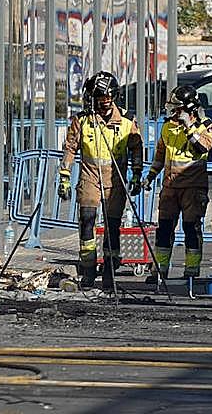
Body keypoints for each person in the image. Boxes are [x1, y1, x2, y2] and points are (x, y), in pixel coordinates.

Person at [58, 71, 143, 289]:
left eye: (107, 98)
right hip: (90, 177)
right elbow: (70, 148)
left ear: (113, 97)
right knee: (87, 221)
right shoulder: (82, 120)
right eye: (99, 98)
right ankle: (87, 270)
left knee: (112, 226)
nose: (103, 103)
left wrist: (137, 173)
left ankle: (109, 271)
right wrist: (64, 175)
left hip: (115, 180)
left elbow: (136, 147)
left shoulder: (127, 121)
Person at [143, 86, 212, 281]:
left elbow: (202, 148)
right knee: (164, 229)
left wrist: (188, 127)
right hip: (170, 187)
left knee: (191, 228)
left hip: (193, 187)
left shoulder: (206, 126)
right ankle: (160, 270)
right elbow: (160, 154)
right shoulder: (168, 126)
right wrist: (150, 176)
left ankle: (191, 270)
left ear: (189, 108)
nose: (174, 112)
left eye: (177, 108)